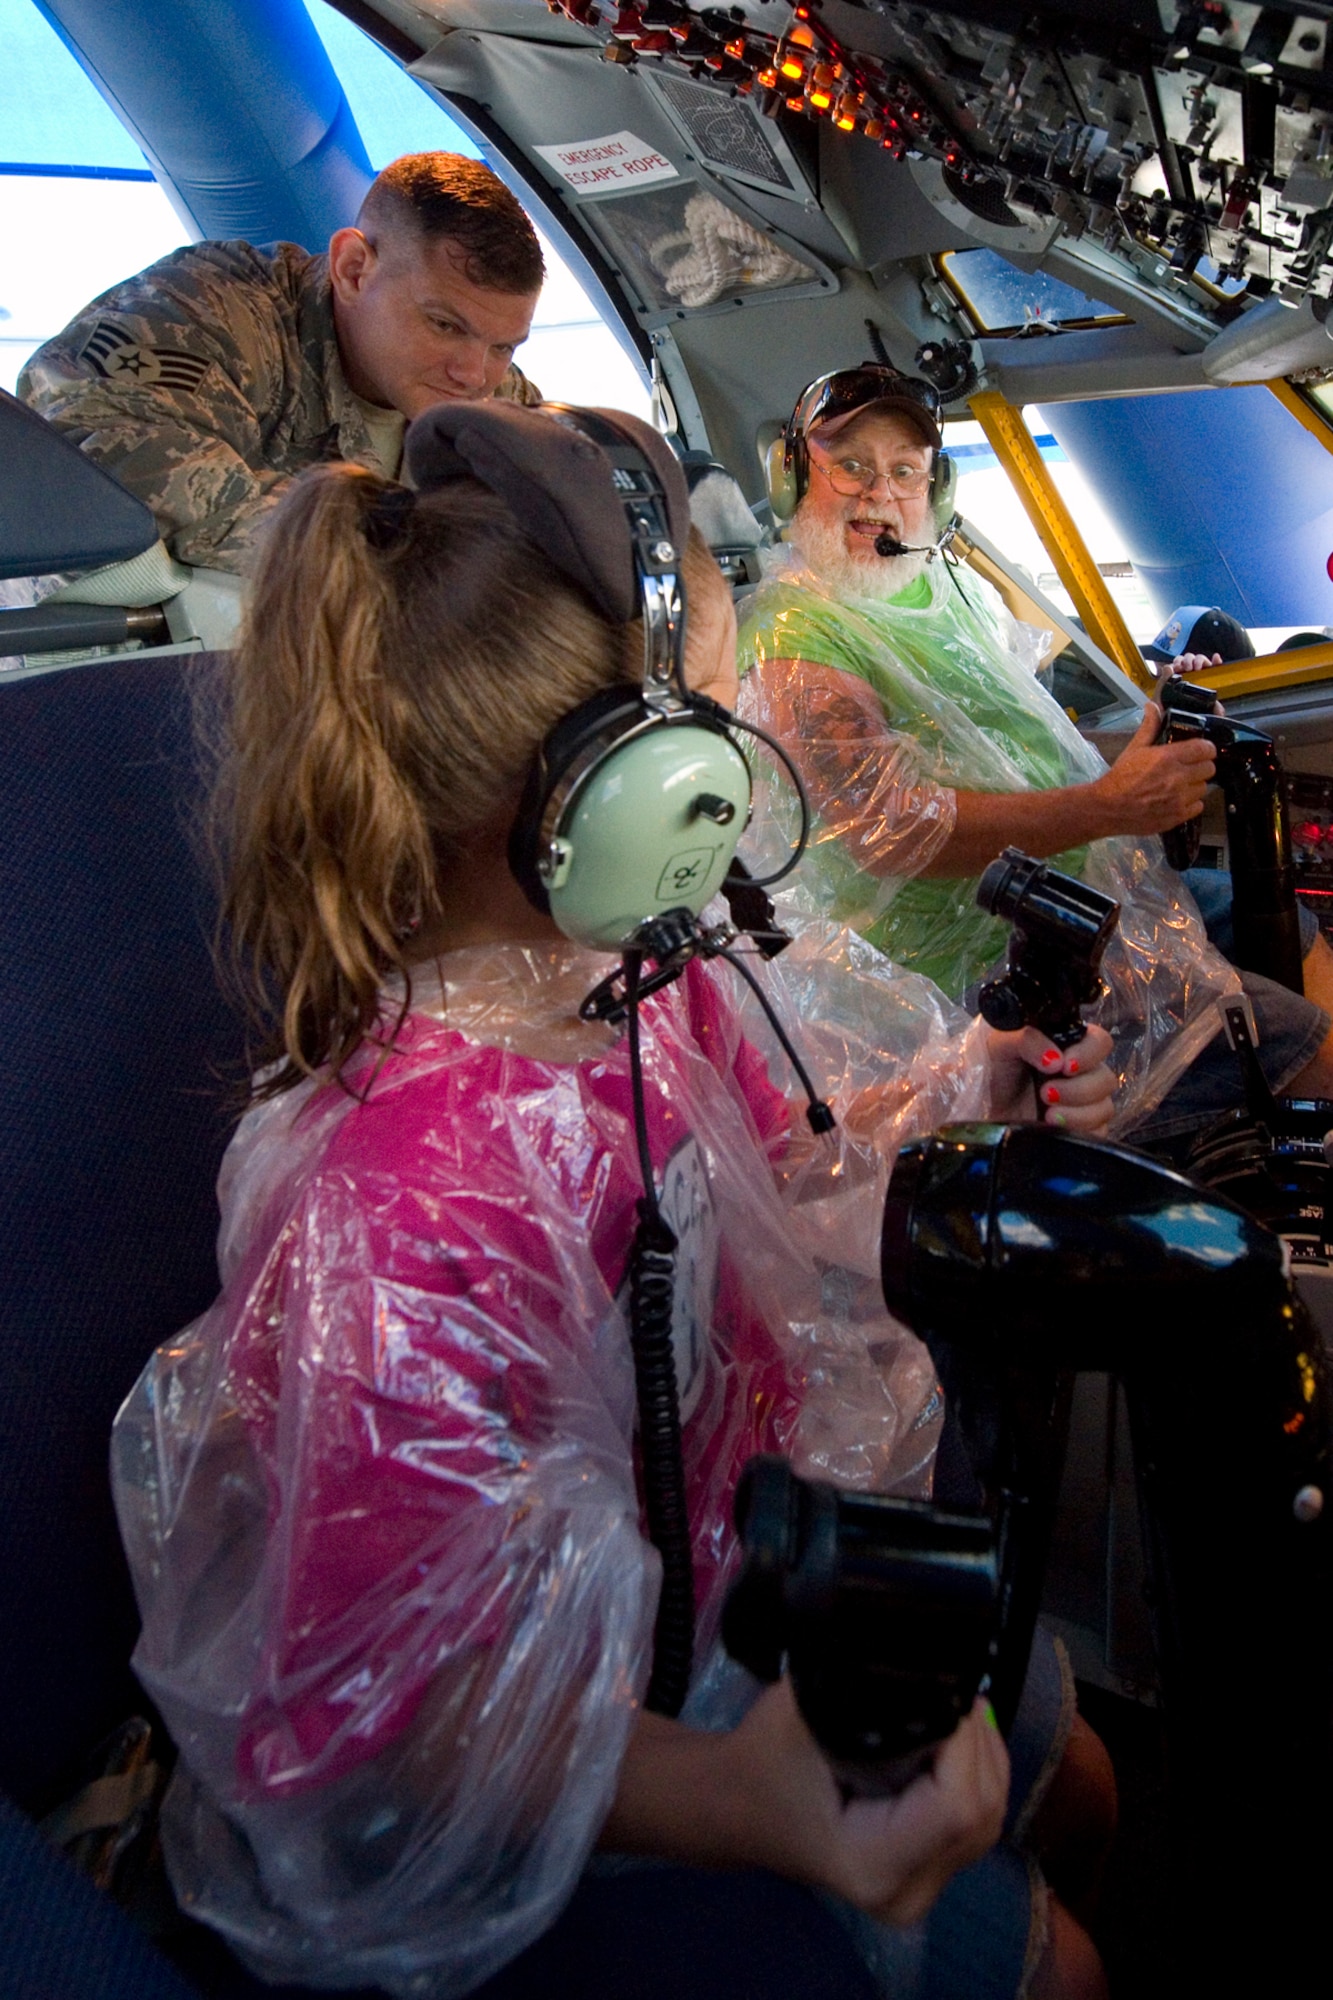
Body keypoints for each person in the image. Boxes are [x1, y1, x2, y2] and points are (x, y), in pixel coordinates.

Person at [111, 404, 1117, 2000]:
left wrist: (962, 1088)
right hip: (591, 1742)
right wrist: (746, 1804)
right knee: (1057, 1970)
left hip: (743, 1572)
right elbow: (387, 1701)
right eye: (709, 731)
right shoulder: (405, 1205)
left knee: (1083, 1783)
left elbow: (786, 1184)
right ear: (607, 789)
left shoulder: (630, 987)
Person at [737, 366, 1333, 1142]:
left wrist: (1143, 746)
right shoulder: (794, 635)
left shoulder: (939, 589)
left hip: (1077, 885)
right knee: (1292, 1042)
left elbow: (1024, 745)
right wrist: (1109, 806)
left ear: (936, 490)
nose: (878, 492)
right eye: (848, 465)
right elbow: (886, 830)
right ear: (791, 479)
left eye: (905, 470)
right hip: (974, 962)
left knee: (1281, 921)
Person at [18, 152, 544, 575]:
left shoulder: (494, 397)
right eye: (444, 325)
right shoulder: (208, 313)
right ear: (354, 269)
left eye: (504, 347)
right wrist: (405, 549)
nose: (474, 375)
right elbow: (118, 464)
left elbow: (563, 511)